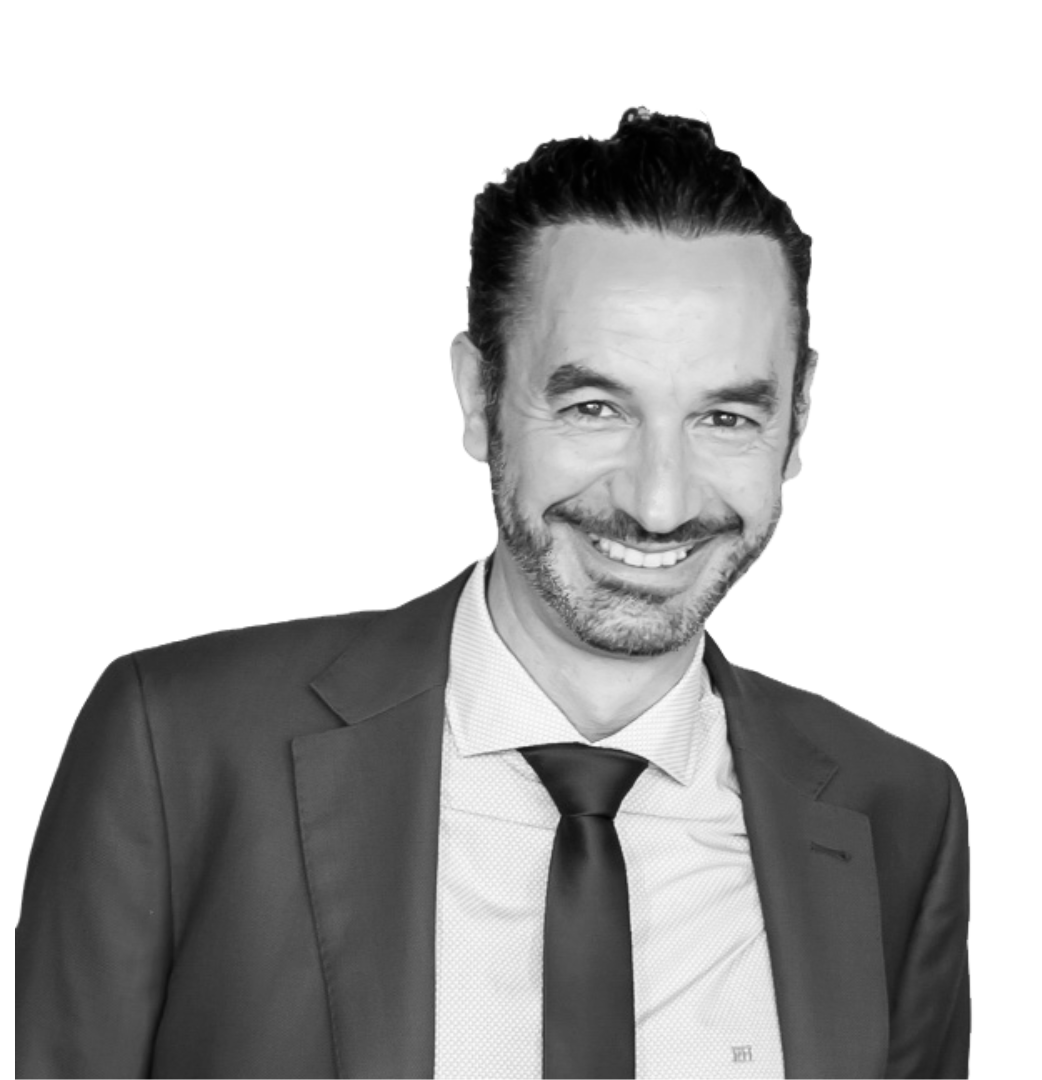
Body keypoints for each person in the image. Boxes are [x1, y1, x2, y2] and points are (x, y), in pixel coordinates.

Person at [15, 108, 969, 1080]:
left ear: (798, 416)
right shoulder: (179, 748)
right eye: (594, 407)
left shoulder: (898, 817)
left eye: (725, 417)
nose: (660, 502)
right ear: (479, 396)